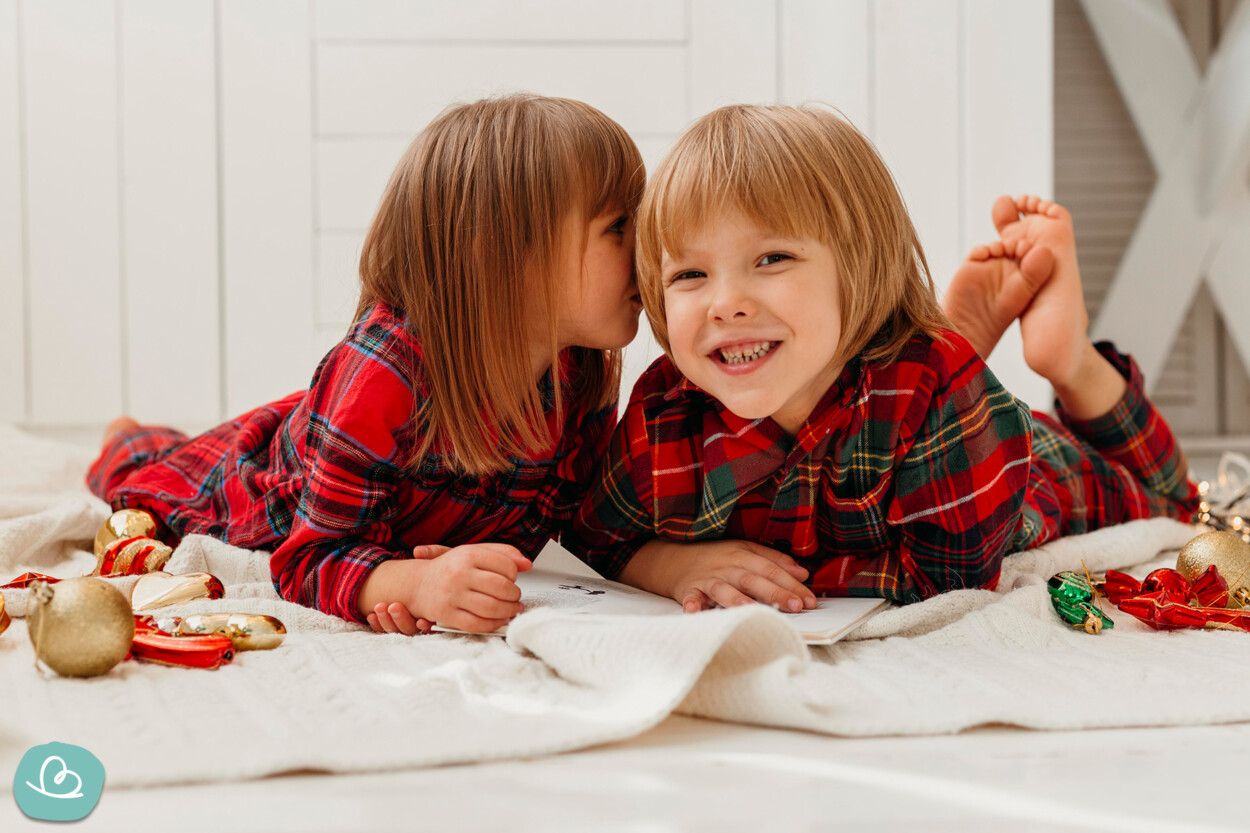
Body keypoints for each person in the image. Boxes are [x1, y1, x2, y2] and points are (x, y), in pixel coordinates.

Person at [564, 104, 1198, 614]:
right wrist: (671, 565)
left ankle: (1070, 356)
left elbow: (950, 579)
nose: (725, 304)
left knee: (1172, 499)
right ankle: (958, 340)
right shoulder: (664, 413)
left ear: (859, 268)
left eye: (772, 259)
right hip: (932, 426)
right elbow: (593, 538)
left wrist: (786, 578)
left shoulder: (929, 391)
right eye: (691, 275)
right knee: (930, 381)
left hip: (1033, 473)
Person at [88, 94, 645, 634]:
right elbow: (307, 561)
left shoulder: (581, 375)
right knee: (150, 478)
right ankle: (125, 437)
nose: (647, 247)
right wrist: (412, 584)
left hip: (342, 446)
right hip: (274, 488)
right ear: (503, 254)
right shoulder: (384, 374)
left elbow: (579, 527)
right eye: (619, 226)